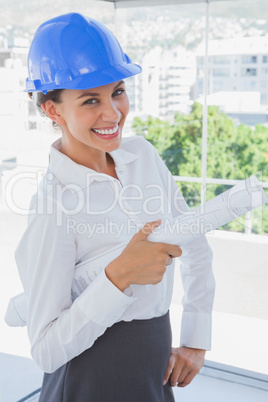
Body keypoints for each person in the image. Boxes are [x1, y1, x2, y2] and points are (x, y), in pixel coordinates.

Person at [15, 12, 215, 402]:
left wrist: (196, 337)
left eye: (118, 92)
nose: (113, 113)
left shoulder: (143, 156)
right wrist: (118, 275)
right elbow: (45, 348)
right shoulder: (53, 206)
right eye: (91, 100)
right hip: (89, 377)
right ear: (52, 110)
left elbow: (193, 243)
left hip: (154, 359)